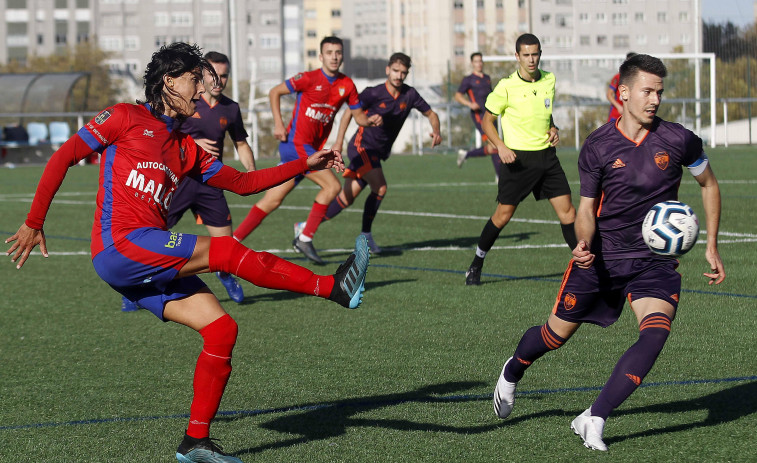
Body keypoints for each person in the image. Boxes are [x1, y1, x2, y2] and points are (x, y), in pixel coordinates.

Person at [5, 42, 370, 463]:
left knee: (221, 331)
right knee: (226, 249)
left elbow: (244, 184)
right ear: (169, 80)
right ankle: (332, 287)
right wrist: (34, 221)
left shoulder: (186, 148)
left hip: (144, 260)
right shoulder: (124, 117)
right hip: (120, 247)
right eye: (196, 80)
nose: (201, 92)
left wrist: (306, 163)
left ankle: (195, 442)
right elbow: (64, 157)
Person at [491, 54, 725, 452]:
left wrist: (712, 246)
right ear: (625, 93)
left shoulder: (679, 139)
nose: (655, 99)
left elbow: (708, 184)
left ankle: (593, 417)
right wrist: (582, 244)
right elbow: (586, 209)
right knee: (553, 336)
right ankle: (513, 369)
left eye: (660, 92)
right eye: (647, 91)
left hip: (653, 262)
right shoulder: (599, 145)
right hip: (602, 258)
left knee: (654, 334)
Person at [121, 51, 254, 312]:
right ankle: (133, 288)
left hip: (211, 184)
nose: (218, 81)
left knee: (225, 246)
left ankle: (225, 275)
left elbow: (241, 143)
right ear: (201, 77)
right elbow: (163, 137)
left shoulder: (231, 108)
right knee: (153, 237)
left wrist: (249, 172)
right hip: (177, 182)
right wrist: (193, 147)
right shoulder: (186, 102)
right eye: (212, 75)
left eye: (224, 75)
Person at [233, 36, 382, 264]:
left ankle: (231, 243)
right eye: (329, 52)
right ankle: (305, 236)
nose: (334, 56)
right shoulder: (308, 78)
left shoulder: (347, 85)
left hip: (310, 149)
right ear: (320, 57)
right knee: (332, 186)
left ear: (342, 56)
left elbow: (358, 116)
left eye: (338, 52)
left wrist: (371, 120)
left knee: (272, 200)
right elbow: (275, 92)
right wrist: (278, 123)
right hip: (296, 146)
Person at [299, 52, 442, 254]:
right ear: (387, 70)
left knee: (346, 199)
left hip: (378, 152)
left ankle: (304, 228)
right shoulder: (373, 93)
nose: (399, 76)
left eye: (403, 72)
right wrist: (339, 141)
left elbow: (431, 113)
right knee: (380, 187)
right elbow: (349, 111)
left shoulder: (409, 95)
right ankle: (366, 236)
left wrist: (436, 130)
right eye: (395, 71)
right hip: (362, 146)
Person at [464, 33, 577, 286]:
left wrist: (554, 127)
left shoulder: (549, 79)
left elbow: (545, 113)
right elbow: (486, 122)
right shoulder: (505, 86)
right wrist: (501, 146)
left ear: (540, 54)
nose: (531, 59)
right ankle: (476, 263)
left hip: (547, 157)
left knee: (568, 212)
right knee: (502, 216)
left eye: (535, 54)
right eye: (525, 55)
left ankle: (585, 265)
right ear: (517, 56)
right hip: (517, 160)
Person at [454, 52, 500, 177]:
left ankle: (466, 154)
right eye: (476, 61)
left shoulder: (486, 78)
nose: (479, 63)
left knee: (494, 146)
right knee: (494, 144)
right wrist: (469, 104)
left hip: (491, 114)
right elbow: (457, 96)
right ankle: (500, 176)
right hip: (479, 116)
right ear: (472, 63)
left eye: (480, 61)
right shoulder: (468, 80)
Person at [606, 52, 637, 122]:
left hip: (630, 116)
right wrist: (619, 107)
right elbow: (609, 94)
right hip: (616, 115)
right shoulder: (618, 77)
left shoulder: (638, 79)